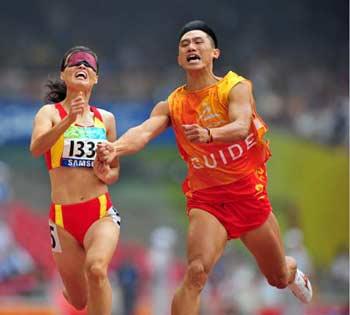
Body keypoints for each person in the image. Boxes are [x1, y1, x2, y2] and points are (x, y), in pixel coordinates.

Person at [96, 20, 313, 314]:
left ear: (215, 53)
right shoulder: (173, 103)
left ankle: (292, 271)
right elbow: (144, 131)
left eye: (198, 42)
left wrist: (210, 134)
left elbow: (239, 125)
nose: (191, 47)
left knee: (276, 277)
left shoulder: (234, 87)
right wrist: (115, 148)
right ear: (179, 58)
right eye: (185, 44)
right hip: (207, 200)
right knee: (196, 272)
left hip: (249, 196)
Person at [30, 46, 121, 315]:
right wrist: (68, 119)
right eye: (75, 63)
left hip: (100, 212)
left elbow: (114, 170)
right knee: (80, 300)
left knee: (96, 269)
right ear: (63, 74)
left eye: (89, 65)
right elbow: (37, 148)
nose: (82, 65)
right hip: (62, 220)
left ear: (96, 79)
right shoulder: (49, 114)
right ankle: (74, 291)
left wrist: (108, 173)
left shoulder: (106, 119)